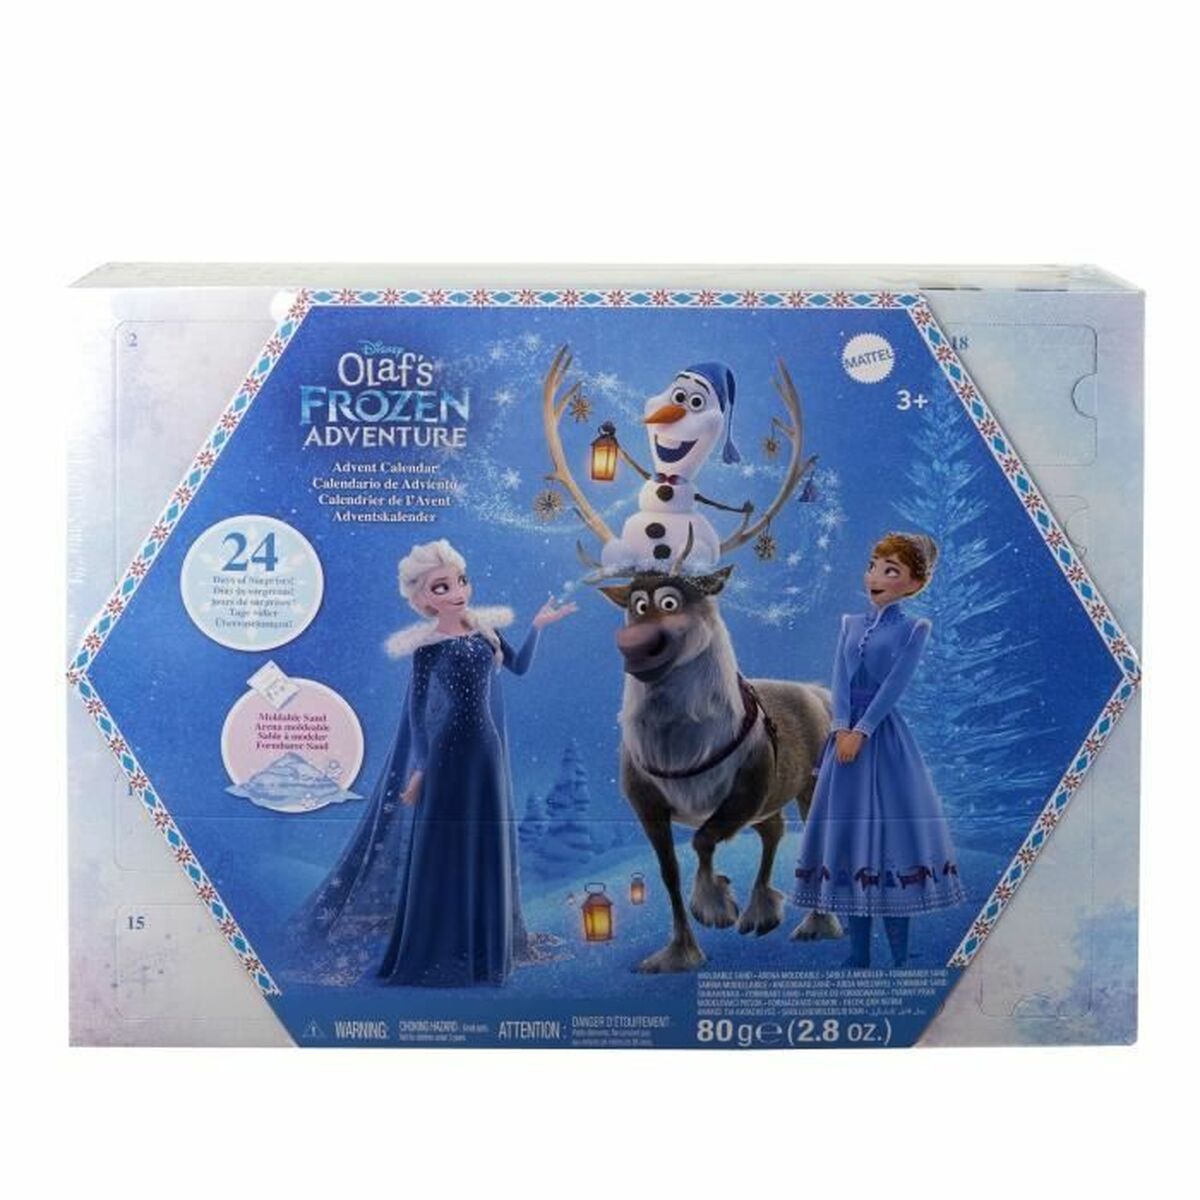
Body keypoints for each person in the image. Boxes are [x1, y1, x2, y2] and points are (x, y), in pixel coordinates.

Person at [296, 538, 576, 987]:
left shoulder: (485, 631)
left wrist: (538, 627)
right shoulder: (427, 649)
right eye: (441, 587)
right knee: (442, 845)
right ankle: (437, 944)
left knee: (485, 839)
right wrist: (421, 768)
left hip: (486, 751)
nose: (457, 591)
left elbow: (520, 667)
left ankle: (483, 946)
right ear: (423, 599)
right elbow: (417, 713)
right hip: (446, 753)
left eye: (460, 580)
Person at [792, 531, 965, 968]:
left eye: (891, 571)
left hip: (884, 744)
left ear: (914, 584)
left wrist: (864, 730)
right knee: (851, 843)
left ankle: (900, 955)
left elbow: (894, 685)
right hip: (844, 743)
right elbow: (840, 680)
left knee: (891, 845)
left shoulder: (914, 629)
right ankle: (858, 953)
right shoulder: (850, 625)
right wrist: (840, 728)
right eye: (873, 566)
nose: (875, 577)